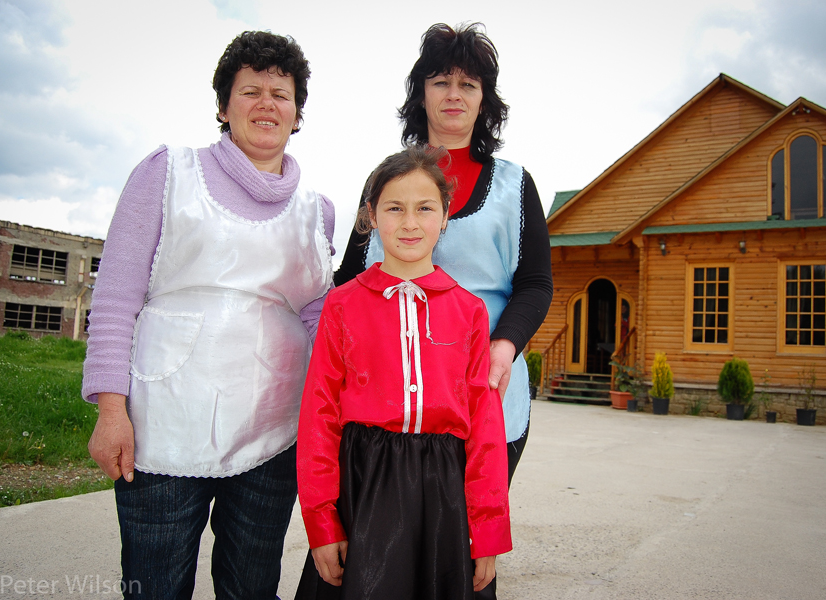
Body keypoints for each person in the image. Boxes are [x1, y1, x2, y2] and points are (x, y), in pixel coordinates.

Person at [82, 31, 334, 599]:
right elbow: (117, 297)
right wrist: (110, 409)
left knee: (250, 588)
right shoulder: (167, 173)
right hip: (162, 429)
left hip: (274, 436)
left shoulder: (317, 210)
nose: (267, 103)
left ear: (297, 115)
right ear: (224, 106)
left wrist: (330, 419)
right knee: (155, 588)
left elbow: (321, 317)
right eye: (251, 91)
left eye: (281, 93)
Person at [335, 22, 552, 487]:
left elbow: (535, 283)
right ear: (422, 95)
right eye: (440, 82)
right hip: (388, 399)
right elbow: (350, 277)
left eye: (467, 85)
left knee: (463, 543)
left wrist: (505, 344)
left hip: (482, 387)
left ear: (483, 100)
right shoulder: (384, 181)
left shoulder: (515, 185)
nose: (454, 94)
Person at [295, 146, 512, 600]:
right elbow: (319, 414)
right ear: (372, 215)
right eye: (395, 208)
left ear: (445, 217)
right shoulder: (342, 304)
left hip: (444, 492)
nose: (410, 223)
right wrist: (321, 520)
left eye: (424, 208)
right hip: (364, 484)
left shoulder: (470, 311)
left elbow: (486, 426)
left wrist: (488, 529)